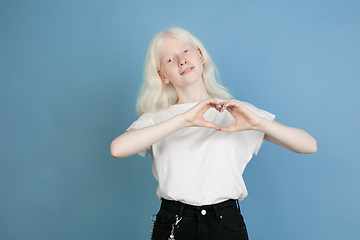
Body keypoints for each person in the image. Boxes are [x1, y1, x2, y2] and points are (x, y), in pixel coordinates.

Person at [110, 27, 317, 240]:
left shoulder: (238, 113)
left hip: (226, 224)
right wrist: (183, 120)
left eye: (185, 51)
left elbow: (308, 145)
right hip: (174, 222)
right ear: (162, 76)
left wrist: (259, 122)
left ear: (200, 55)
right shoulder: (158, 118)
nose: (181, 60)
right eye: (169, 60)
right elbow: (117, 149)